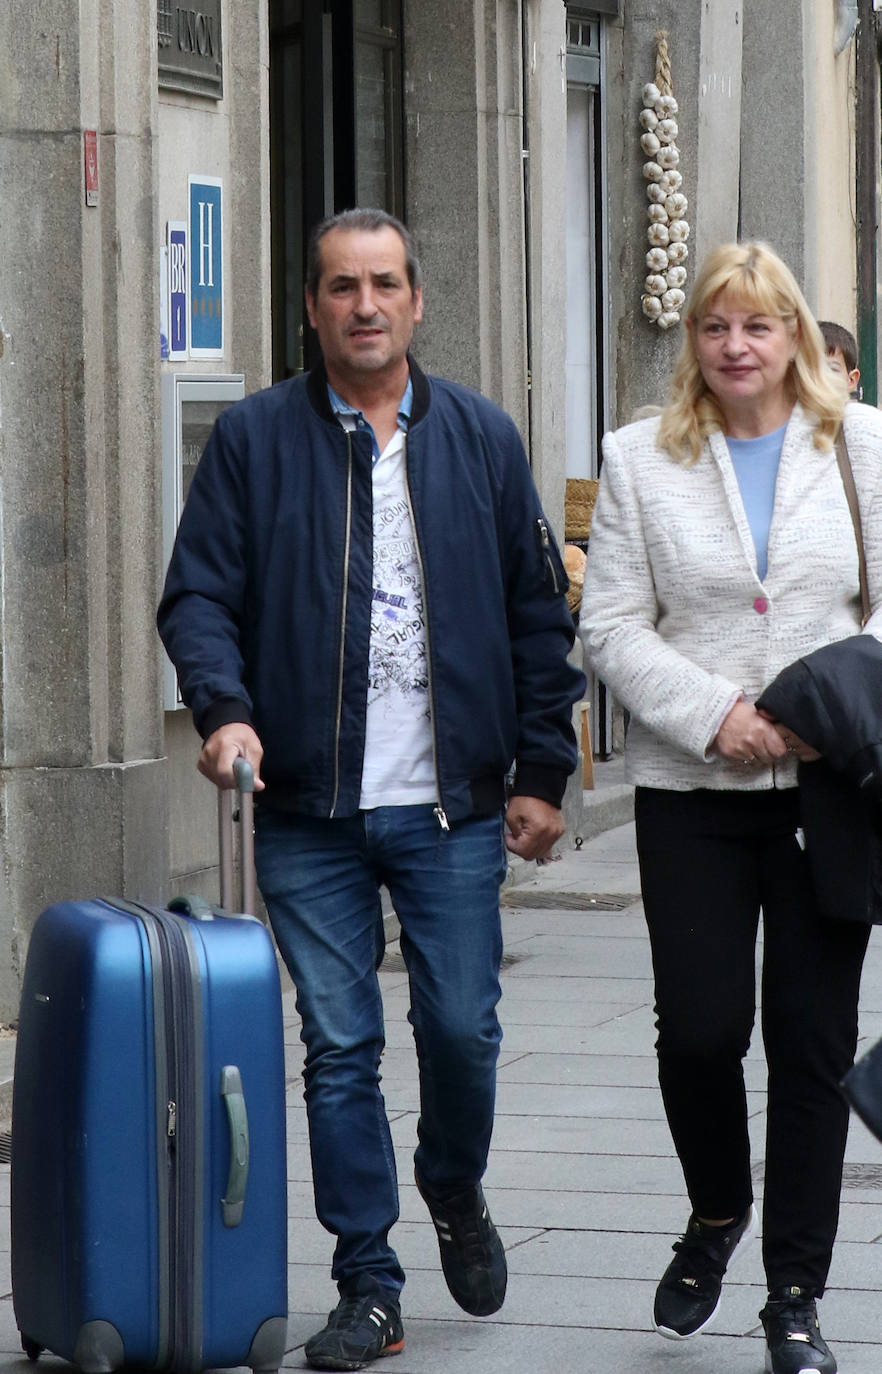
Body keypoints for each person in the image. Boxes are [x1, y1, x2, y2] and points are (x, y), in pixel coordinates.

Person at [158, 208, 585, 1372]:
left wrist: (543, 772)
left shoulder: (484, 441)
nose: (364, 305)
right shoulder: (253, 440)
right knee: (338, 1044)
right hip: (307, 806)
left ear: (417, 300)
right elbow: (196, 595)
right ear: (311, 306)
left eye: (385, 283)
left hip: (450, 804)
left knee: (461, 1029)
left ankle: (451, 1178)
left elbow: (542, 617)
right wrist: (224, 705)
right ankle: (369, 1280)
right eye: (341, 285)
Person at [579, 240, 882, 1374]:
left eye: (759, 326)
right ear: (692, 343)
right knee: (701, 1034)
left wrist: (821, 711)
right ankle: (717, 1212)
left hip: (827, 794)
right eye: (716, 328)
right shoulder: (639, 460)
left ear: (796, 334)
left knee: (811, 1049)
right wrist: (719, 714)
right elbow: (609, 625)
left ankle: (794, 1299)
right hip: (692, 790)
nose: (737, 346)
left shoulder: (862, 444)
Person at [818, 318, 861, 399]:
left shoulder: (860, 411)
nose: (820, 378)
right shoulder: (794, 411)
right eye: (809, 369)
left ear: (851, 380)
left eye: (832, 369)